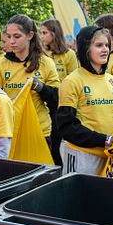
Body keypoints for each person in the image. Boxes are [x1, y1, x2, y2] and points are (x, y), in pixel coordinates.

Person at [56, 25, 113, 175]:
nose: (105, 49)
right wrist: (103, 140)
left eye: (107, 45)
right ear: (86, 48)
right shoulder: (72, 81)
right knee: (79, 198)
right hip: (82, 155)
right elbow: (67, 127)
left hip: (111, 155)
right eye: (98, 45)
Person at [0, 15, 60, 155]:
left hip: (40, 130)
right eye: (9, 36)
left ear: (30, 35)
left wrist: (40, 87)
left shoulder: (45, 63)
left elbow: (56, 99)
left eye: (17, 36)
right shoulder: (1, 64)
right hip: (10, 130)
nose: (11, 41)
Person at [40, 18, 78, 166]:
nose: (41, 36)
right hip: (43, 103)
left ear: (54, 34)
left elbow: (74, 79)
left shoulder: (69, 54)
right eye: (40, 33)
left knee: (56, 145)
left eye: (44, 32)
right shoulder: (42, 55)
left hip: (60, 105)